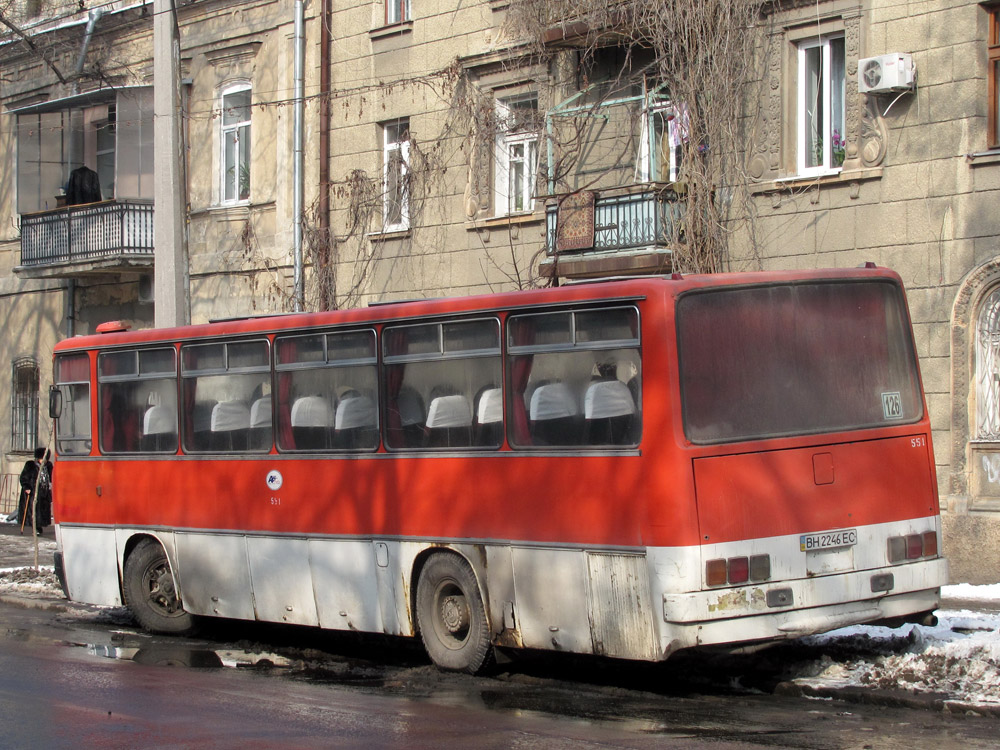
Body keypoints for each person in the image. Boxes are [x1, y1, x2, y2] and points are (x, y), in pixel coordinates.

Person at [18, 448, 53, 535]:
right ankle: (36, 528)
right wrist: (26, 487)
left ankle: (39, 526)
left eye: (45, 459)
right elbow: (24, 477)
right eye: (42, 459)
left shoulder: (48, 466)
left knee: (42, 511)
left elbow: (52, 477)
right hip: (33, 491)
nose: (43, 461)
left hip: (44, 492)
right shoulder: (30, 465)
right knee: (34, 511)